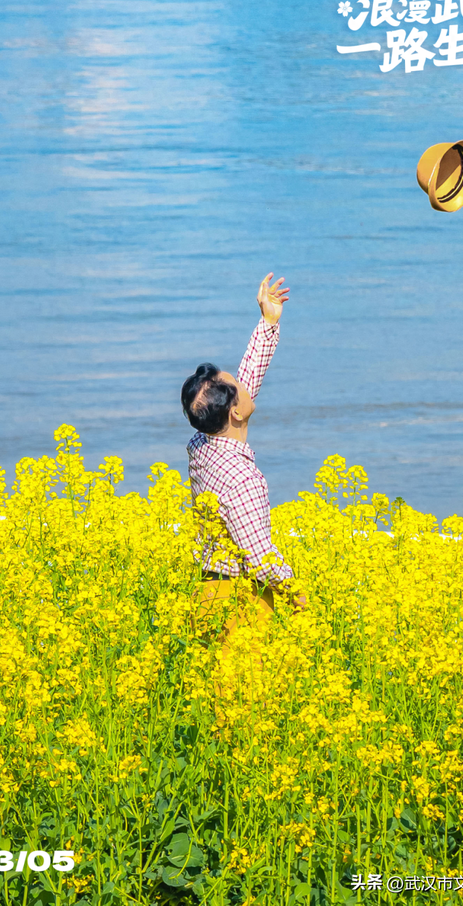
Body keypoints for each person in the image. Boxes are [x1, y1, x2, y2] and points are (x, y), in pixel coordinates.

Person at [181, 273, 306, 646]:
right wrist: (295, 593)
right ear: (235, 413)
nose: (244, 382)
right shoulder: (241, 477)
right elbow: (258, 554)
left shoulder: (201, 443)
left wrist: (268, 322)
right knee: (243, 698)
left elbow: (246, 378)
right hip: (240, 601)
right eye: (237, 385)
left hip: (206, 593)